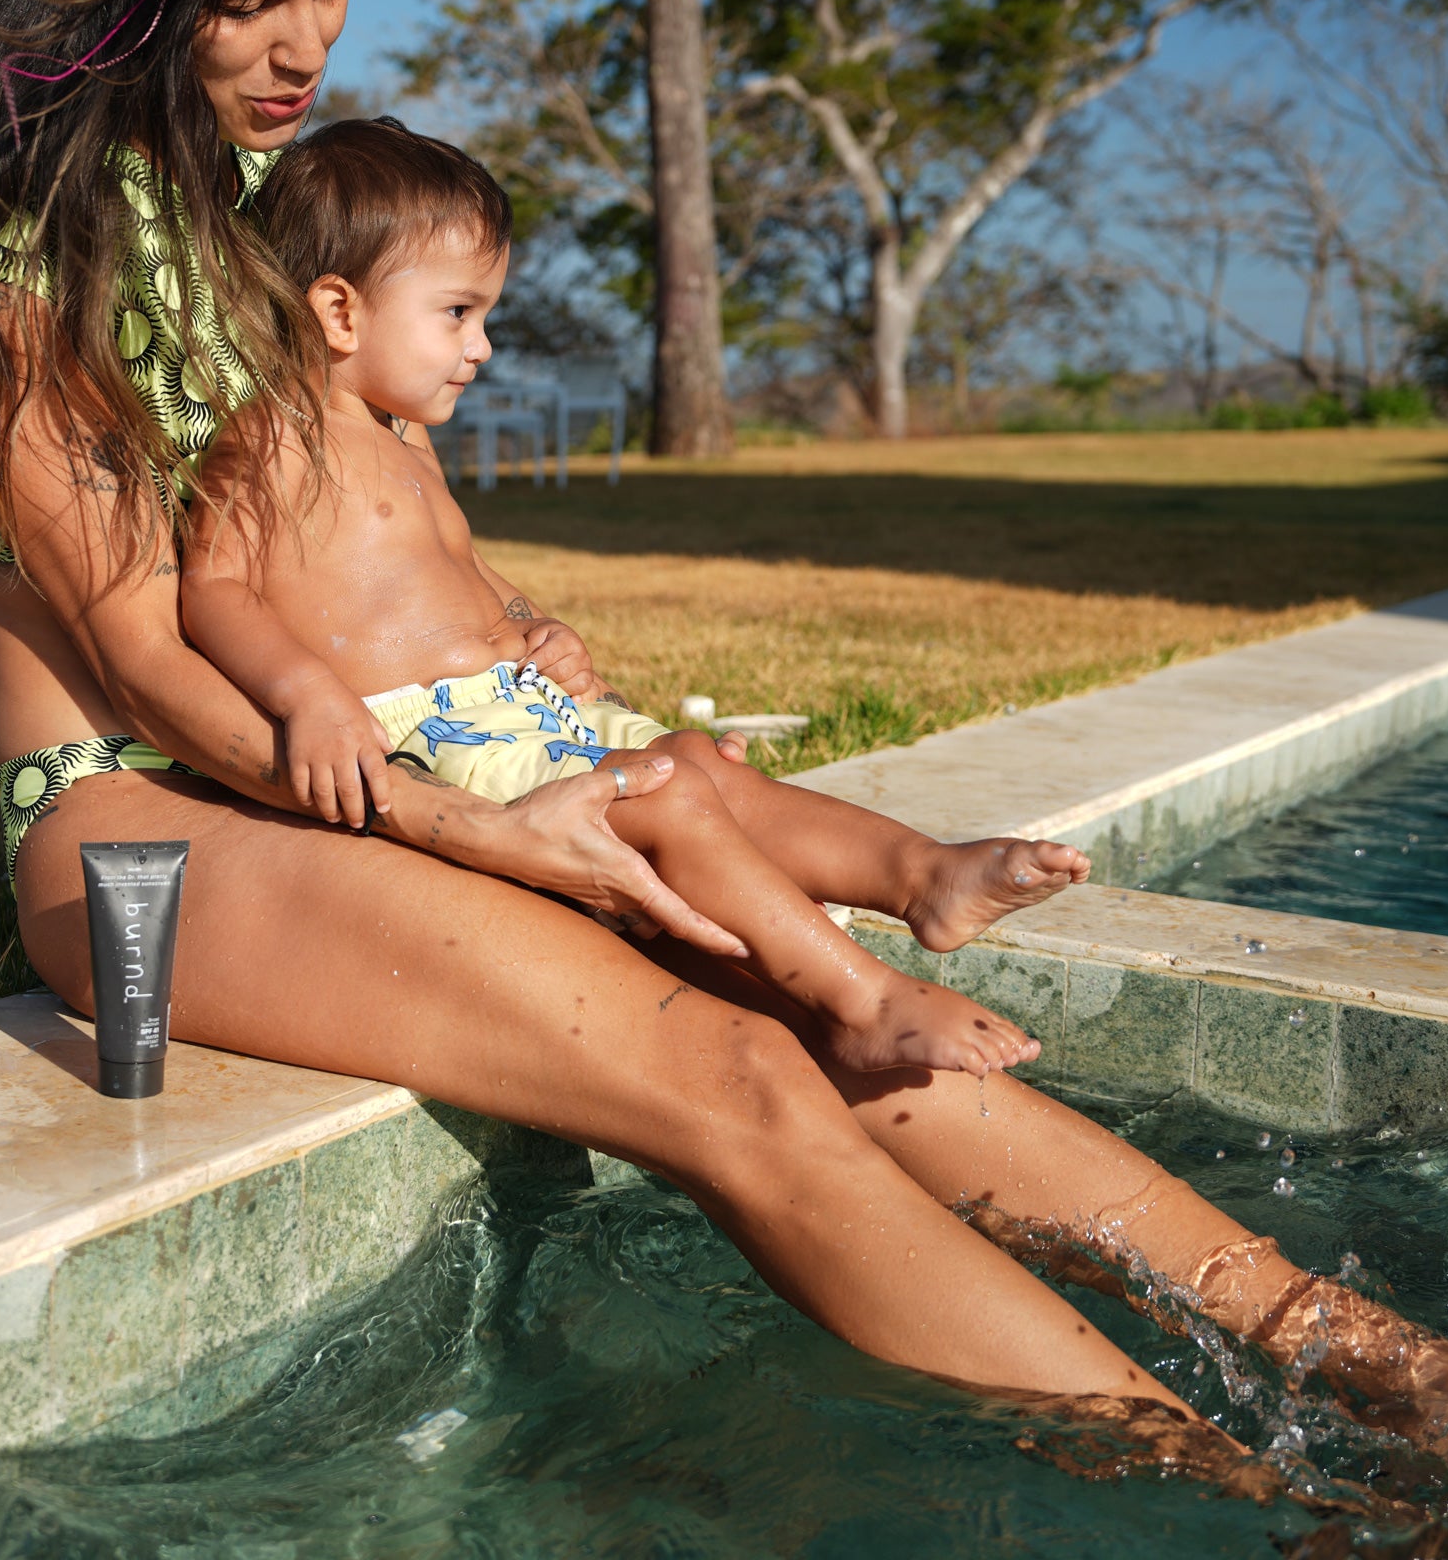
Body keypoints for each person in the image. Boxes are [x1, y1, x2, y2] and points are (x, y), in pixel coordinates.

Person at [0, 0, 1448, 1533]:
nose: (308, 36)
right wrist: (471, 820)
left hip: (350, 766)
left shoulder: (257, 197)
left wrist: (509, 667)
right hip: (145, 833)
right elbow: (161, 652)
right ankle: (1304, 1512)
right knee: (738, 1070)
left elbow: (348, 506)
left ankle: (1436, 1386)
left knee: (825, 994)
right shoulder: (28, 261)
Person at [176, 115, 1081, 1081]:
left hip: (514, 711)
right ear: (340, 313)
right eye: (458, 314)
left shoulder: (400, 434)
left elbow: (454, 570)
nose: (481, 346)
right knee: (675, 798)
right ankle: (862, 1001)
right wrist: (307, 696)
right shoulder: (271, 440)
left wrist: (526, 623)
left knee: (693, 762)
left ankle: (924, 876)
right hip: (429, 740)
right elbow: (216, 591)